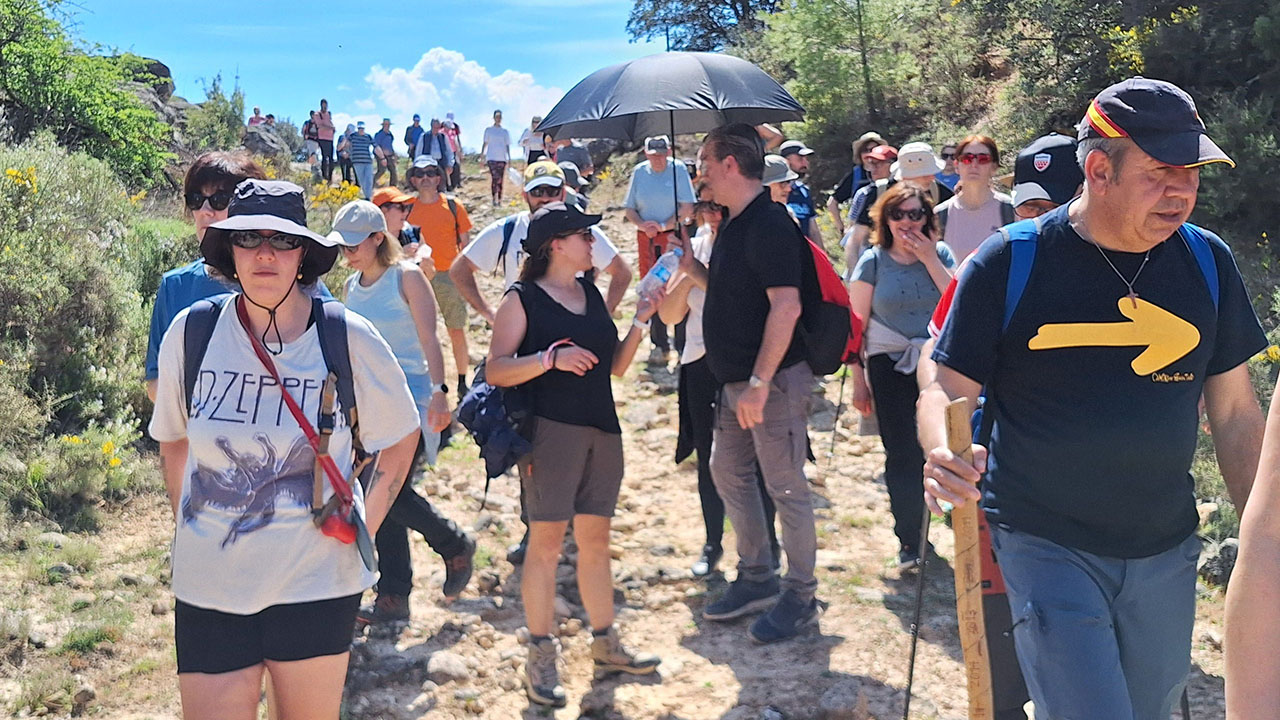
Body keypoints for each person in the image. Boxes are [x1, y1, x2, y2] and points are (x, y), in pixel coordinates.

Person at [921, 77, 1265, 720]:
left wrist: (1266, 537)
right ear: (1100, 170)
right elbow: (945, 384)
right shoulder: (1010, 262)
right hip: (1045, 542)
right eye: (1160, 172)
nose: (1182, 191)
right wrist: (942, 449)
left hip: (1165, 545)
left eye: (1191, 172)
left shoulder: (1207, 263)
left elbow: (1237, 415)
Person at [150, 179, 422, 720]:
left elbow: (400, 439)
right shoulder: (192, 331)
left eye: (282, 240)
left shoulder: (346, 336)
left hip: (317, 583)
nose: (265, 253)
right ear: (230, 251)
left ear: (303, 255)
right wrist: (192, 526)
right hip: (211, 585)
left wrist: (364, 524)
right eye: (248, 239)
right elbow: (174, 440)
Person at [485, 203, 662, 707]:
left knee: (596, 542)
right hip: (550, 435)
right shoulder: (521, 299)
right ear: (556, 245)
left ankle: (605, 645)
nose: (592, 243)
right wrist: (549, 359)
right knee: (545, 547)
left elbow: (614, 367)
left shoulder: (589, 292)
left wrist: (641, 321)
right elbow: (495, 369)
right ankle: (540, 658)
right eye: (584, 235)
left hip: (602, 431)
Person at [450, 161, 633, 564]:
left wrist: (598, 320)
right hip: (524, 354)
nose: (545, 198)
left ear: (563, 193)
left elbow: (622, 272)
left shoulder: (574, 230)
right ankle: (538, 531)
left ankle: (560, 533)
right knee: (531, 438)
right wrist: (491, 314)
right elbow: (459, 268)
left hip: (568, 361)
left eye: (552, 191)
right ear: (525, 195)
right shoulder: (508, 231)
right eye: (538, 191)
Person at [693, 123, 821, 644]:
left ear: (729, 164)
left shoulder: (769, 223)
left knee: (786, 486)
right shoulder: (734, 223)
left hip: (771, 382)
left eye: (704, 161)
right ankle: (756, 575)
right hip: (738, 384)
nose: (700, 172)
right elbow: (736, 296)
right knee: (727, 470)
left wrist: (760, 381)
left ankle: (802, 595)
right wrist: (692, 270)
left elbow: (786, 307)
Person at [327, 200, 475, 623]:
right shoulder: (352, 286)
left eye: (355, 244)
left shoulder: (407, 277)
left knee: (387, 492)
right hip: (369, 404)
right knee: (382, 494)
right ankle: (395, 592)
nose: (348, 254)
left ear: (378, 238)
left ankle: (446, 549)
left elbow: (430, 338)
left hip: (412, 399)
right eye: (343, 246)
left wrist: (440, 392)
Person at [659, 186, 779, 577]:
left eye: (718, 206)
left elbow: (741, 302)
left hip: (745, 364)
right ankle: (713, 542)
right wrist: (687, 272)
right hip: (700, 361)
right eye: (705, 206)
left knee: (757, 458)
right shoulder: (692, 248)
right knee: (708, 457)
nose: (712, 214)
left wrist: (699, 273)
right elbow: (670, 316)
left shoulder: (749, 243)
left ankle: (768, 545)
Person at [848, 184, 955, 569]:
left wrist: (928, 257)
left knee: (945, 447)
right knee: (902, 452)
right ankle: (910, 539)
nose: (907, 222)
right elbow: (856, 326)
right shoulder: (872, 261)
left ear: (928, 218)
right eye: (898, 214)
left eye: (915, 214)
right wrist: (858, 380)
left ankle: (955, 522)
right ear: (885, 219)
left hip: (936, 362)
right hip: (887, 361)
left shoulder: (941, 254)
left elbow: (959, 302)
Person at [145, 152, 269, 403]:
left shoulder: (285, 281)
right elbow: (155, 383)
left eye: (220, 200)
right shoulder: (175, 286)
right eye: (196, 199)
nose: (204, 211)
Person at [407, 156, 476, 399]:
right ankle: (426, 383)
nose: (425, 178)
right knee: (419, 332)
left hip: (449, 275)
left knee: (456, 329)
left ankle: (462, 381)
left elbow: (466, 244)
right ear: (413, 179)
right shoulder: (406, 208)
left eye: (430, 173)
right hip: (416, 276)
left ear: (438, 178)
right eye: (420, 174)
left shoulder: (454, 206)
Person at [622, 135, 695, 362]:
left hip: (673, 236)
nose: (658, 160)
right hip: (647, 238)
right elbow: (629, 209)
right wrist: (643, 225)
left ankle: (682, 343)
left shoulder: (678, 170)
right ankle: (659, 342)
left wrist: (665, 225)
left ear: (668, 152)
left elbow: (687, 207)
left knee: (678, 284)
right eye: (653, 156)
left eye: (662, 155)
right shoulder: (640, 172)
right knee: (651, 286)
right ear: (646, 154)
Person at [844, 142, 953, 271]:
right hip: (882, 270)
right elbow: (855, 241)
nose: (932, 177)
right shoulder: (879, 193)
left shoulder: (939, 192)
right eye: (925, 174)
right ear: (905, 177)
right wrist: (854, 274)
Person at [932, 135, 1014, 259]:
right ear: (956, 165)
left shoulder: (1010, 211)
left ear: (994, 167)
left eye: (983, 159)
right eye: (967, 159)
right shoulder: (940, 215)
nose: (974, 164)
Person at [827, 131, 886, 235]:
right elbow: (832, 203)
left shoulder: (891, 171)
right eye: (865, 150)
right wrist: (842, 229)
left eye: (874, 149)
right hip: (862, 233)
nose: (870, 154)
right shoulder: (855, 175)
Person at [778, 140, 824, 248]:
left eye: (806, 159)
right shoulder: (773, 190)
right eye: (800, 159)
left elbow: (813, 230)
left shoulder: (803, 191)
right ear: (786, 161)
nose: (805, 163)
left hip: (803, 252)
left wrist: (822, 254)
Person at [481, 110, 512, 205]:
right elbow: (485, 143)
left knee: (500, 180)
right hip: (491, 157)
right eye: (496, 117)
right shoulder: (488, 130)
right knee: (495, 178)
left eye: (500, 117)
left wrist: (509, 158)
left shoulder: (504, 132)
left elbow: (507, 145)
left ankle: (499, 199)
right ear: (494, 118)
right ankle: (494, 198)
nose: (498, 119)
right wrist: (482, 156)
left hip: (502, 158)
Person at [414, 119, 455, 190]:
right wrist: (417, 165)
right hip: (428, 164)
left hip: (441, 163)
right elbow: (418, 152)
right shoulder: (424, 136)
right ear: (431, 126)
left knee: (441, 184)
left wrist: (450, 164)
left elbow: (449, 151)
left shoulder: (443, 137)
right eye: (435, 127)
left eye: (438, 127)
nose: (436, 129)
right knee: (430, 184)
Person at [763, 154, 801, 224]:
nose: (788, 189)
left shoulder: (788, 214)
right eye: (782, 183)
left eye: (789, 182)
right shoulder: (748, 216)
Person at [348, 121, 376, 200]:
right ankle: (366, 196)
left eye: (362, 128)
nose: (361, 129)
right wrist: (348, 153)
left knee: (369, 179)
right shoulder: (352, 136)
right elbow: (347, 144)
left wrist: (382, 157)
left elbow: (375, 146)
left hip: (368, 161)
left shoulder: (368, 136)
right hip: (357, 162)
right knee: (362, 180)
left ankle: (368, 197)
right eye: (359, 128)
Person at [373, 118, 398, 188]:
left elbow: (390, 145)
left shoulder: (390, 135)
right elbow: (376, 146)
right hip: (381, 156)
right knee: (381, 170)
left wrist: (394, 154)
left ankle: (393, 187)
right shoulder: (379, 134)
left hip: (389, 156)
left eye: (388, 125)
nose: (387, 126)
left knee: (393, 171)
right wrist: (382, 156)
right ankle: (371, 183)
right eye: (386, 125)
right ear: (383, 125)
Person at [316, 99, 336, 184]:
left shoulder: (328, 114)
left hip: (330, 139)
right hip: (322, 138)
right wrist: (330, 128)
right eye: (324, 105)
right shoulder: (317, 114)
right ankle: (324, 177)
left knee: (331, 159)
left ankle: (330, 178)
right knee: (324, 158)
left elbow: (330, 124)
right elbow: (320, 126)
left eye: (326, 106)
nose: (325, 107)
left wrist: (332, 129)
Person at [443, 113, 463, 190]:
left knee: (456, 167)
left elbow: (456, 140)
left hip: (453, 151)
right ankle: (448, 185)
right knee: (447, 169)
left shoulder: (454, 129)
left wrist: (459, 151)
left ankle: (456, 183)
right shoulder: (441, 131)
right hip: (445, 153)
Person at [302, 111, 322, 184]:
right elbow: (303, 130)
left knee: (315, 155)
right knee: (312, 154)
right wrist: (305, 137)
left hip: (316, 141)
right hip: (310, 140)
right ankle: (314, 170)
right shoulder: (307, 123)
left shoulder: (317, 124)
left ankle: (315, 169)